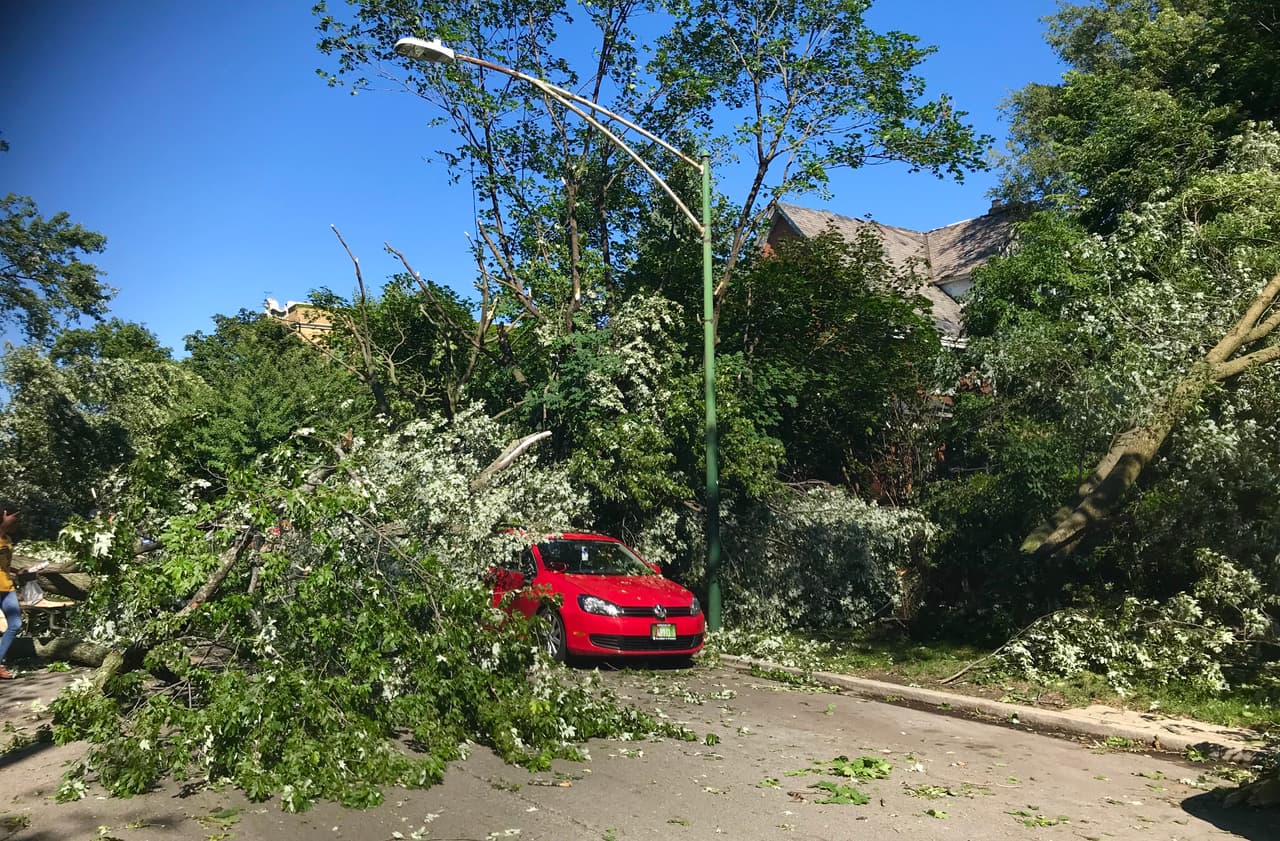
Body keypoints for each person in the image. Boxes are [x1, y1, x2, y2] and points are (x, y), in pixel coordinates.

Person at [0, 510, 21, 679]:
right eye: (14, 519)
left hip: (7, 587)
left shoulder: (7, 539)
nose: (17, 523)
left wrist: (18, 571)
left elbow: (5, 564)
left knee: (15, 624)